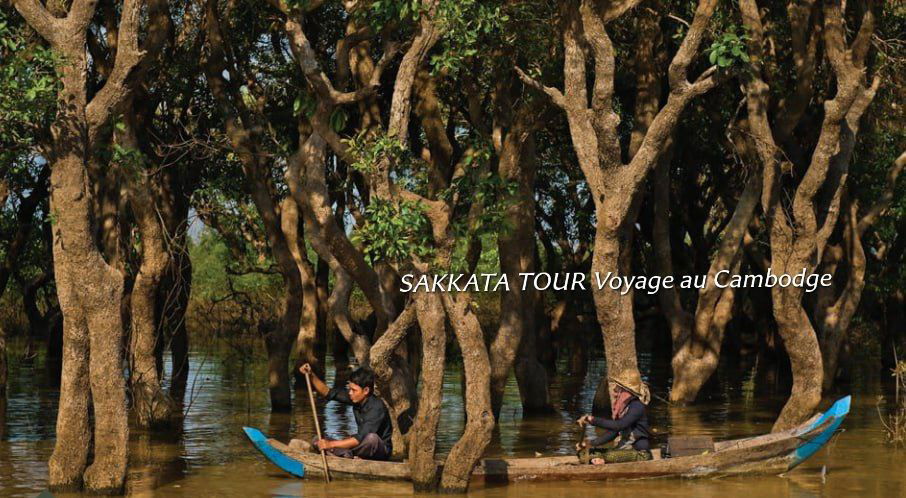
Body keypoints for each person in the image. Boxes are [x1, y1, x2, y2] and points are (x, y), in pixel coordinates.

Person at [295, 364, 393, 461]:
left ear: (366, 390)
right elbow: (327, 392)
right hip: (360, 445)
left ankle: (344, 453)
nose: (350, 392)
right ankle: (345, 454)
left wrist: (330, 444)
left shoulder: (376, 408)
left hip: (379, 450)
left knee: (372, 439)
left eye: (354, 390)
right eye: (350, 389)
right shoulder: (355, 397)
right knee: (318, 439)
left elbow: (359, 439)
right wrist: (311, 374)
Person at [575, 376, 653, 465]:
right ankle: (599, 461)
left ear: (627, 391)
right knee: (583, 453)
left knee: (607, 456)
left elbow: (619, 425)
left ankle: (602, 461)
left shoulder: (637, 406)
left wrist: (593, 420)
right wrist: (589, 444)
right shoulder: (624, 409)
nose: (615, 394)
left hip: (639, 453)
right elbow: (612, 433)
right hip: (623, 450)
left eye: (617, 390)